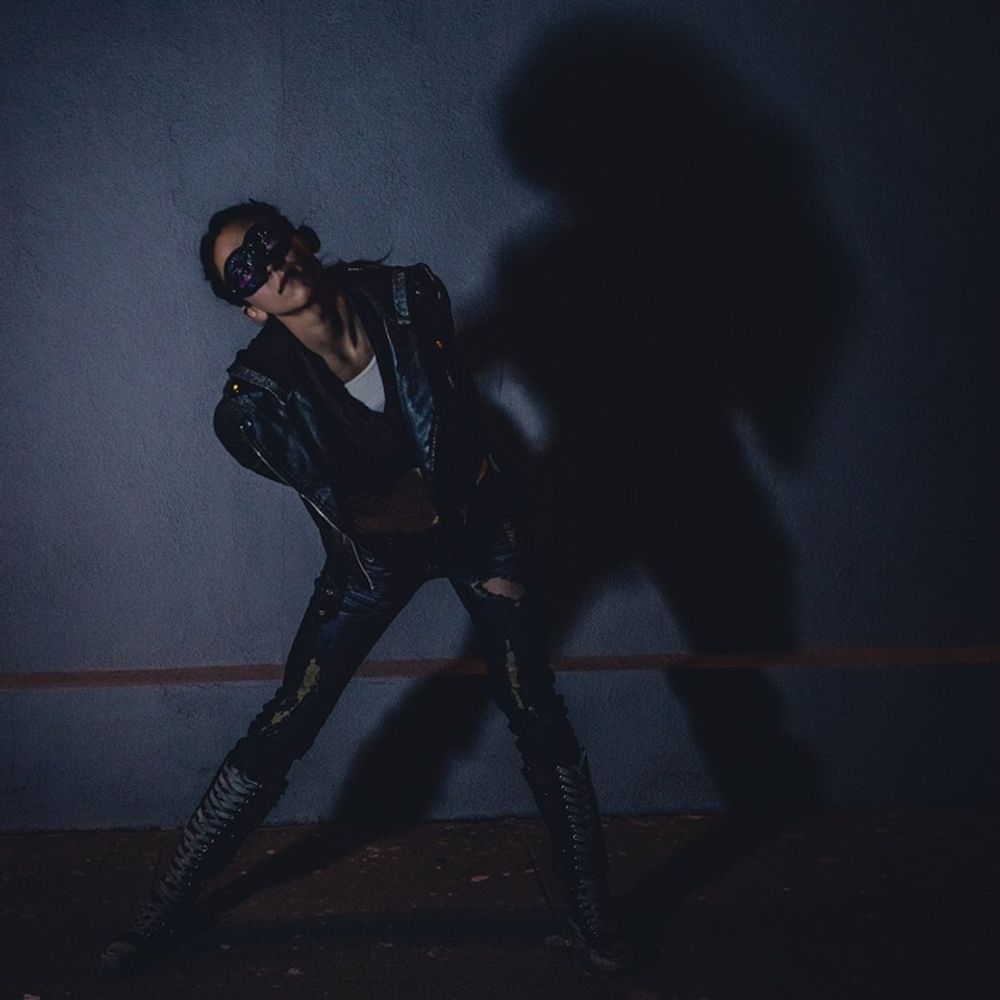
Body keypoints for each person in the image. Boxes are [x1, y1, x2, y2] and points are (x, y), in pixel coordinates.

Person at [100, 200, 633, 973]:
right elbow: (339, 495)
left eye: (267, 241)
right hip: (373, 562)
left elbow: (455, 410)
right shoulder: (256, 405)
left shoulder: (411, 299)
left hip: (481, 533)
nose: (268, 263)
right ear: (250, 306)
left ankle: (592, 908)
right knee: (287, 722)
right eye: (244, 270)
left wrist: (488, 494)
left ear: (300, 239)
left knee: (534, 707)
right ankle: (165, 910)